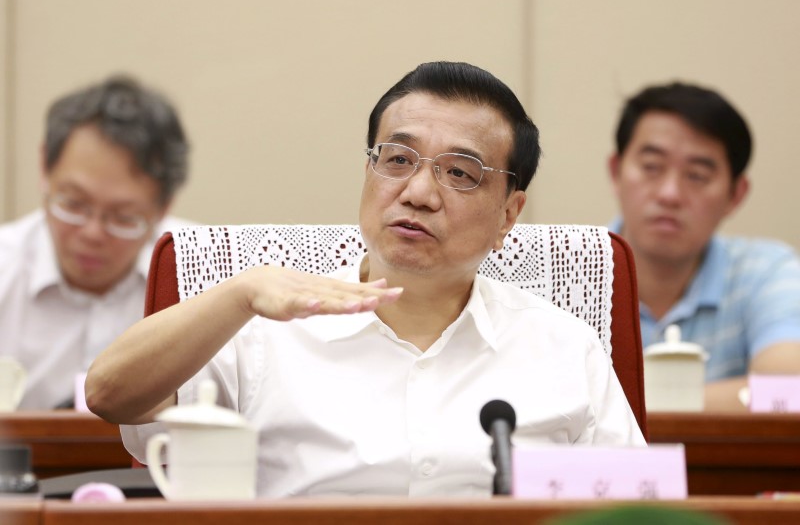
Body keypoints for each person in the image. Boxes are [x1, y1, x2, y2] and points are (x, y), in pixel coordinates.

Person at [87, 61, 644, 498]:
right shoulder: (264, 327)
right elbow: (109, 395)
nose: (419, 193)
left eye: (459, 173)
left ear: (508, 215)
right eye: (398, 159)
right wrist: (240, 292)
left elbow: (637, 510)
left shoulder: (563, 348)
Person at [608, 81, 800, 412]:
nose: (669, 193)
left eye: (696, 175)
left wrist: (616, 409)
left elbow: (788, 392)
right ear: (616, 171)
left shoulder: (767, 271)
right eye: (652, 167)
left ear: (735, 194)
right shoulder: (564, 269)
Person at [0, 75, 189, 410]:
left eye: (123, 217)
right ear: (45, 168)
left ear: (164, 207)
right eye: (73, 204)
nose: (92, 233)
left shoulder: (201, 276)